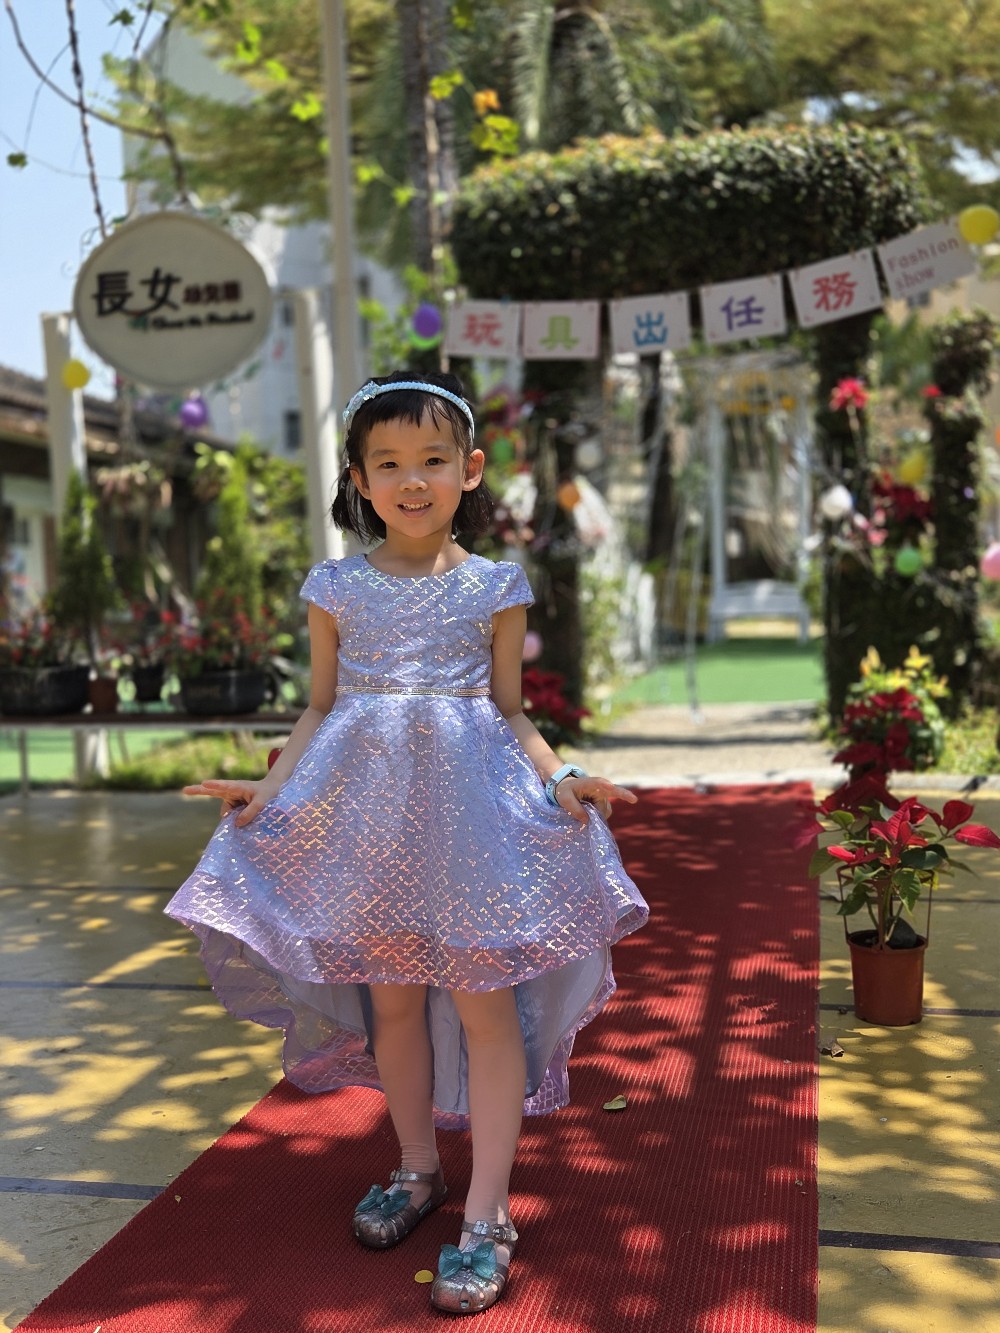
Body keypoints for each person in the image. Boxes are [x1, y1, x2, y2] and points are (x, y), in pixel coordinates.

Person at [165, 370, 649, 1315]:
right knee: (392, 1007)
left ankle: (489, 1212)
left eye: (432, 458)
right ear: (358, 478)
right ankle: (417, 1165)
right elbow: (319, 707)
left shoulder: (495, 585)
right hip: (372, 829)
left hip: (473, 827)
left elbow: (510, 711)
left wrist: (563, 779)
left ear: (471, 469)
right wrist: (268, 790)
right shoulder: (336, 585)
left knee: (485, 1010)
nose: (411, 479)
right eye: (387, 463)